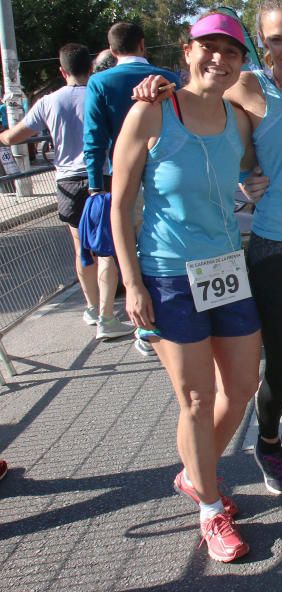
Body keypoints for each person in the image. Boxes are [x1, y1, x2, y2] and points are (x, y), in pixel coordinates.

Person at [135, 0, 282, 501]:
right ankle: (270, 443)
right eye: (276, 39)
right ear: (262, 43)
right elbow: (197, 93)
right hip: (278, 247)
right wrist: (157, 83)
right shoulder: (249, 85)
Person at [111, 13, 260, 561]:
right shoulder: (152, 110)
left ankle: (196, 475)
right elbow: (120, 205)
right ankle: (210, 507)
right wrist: (131, 284)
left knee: (241, 387)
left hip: (226, 270)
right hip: (169, 275)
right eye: (208, 48)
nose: (219, 59)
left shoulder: (238, 118)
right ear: (187, 49)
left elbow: (246, 168)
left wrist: (254, 184)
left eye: (232, 52)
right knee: (196, 398)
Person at [0, 44, 133, 341]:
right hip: (103, 177)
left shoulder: (49, 102)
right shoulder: (101, 93)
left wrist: (2, 136)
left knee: (82, 249)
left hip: (68, 184)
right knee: (108, 250)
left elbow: (15, 136)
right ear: (90, 68)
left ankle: (91, 307)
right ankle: (107, 316)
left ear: (61, 71)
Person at [83, 21, 178, 358]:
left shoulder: (99, 82)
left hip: (122, 183)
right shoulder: (168, 78)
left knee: (124, 252)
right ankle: (154, 326)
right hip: (166, 180)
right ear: (142, 44)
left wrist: (96, 186)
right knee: (159, 253)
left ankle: (139, 324)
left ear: (111, 50)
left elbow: (93, 140)